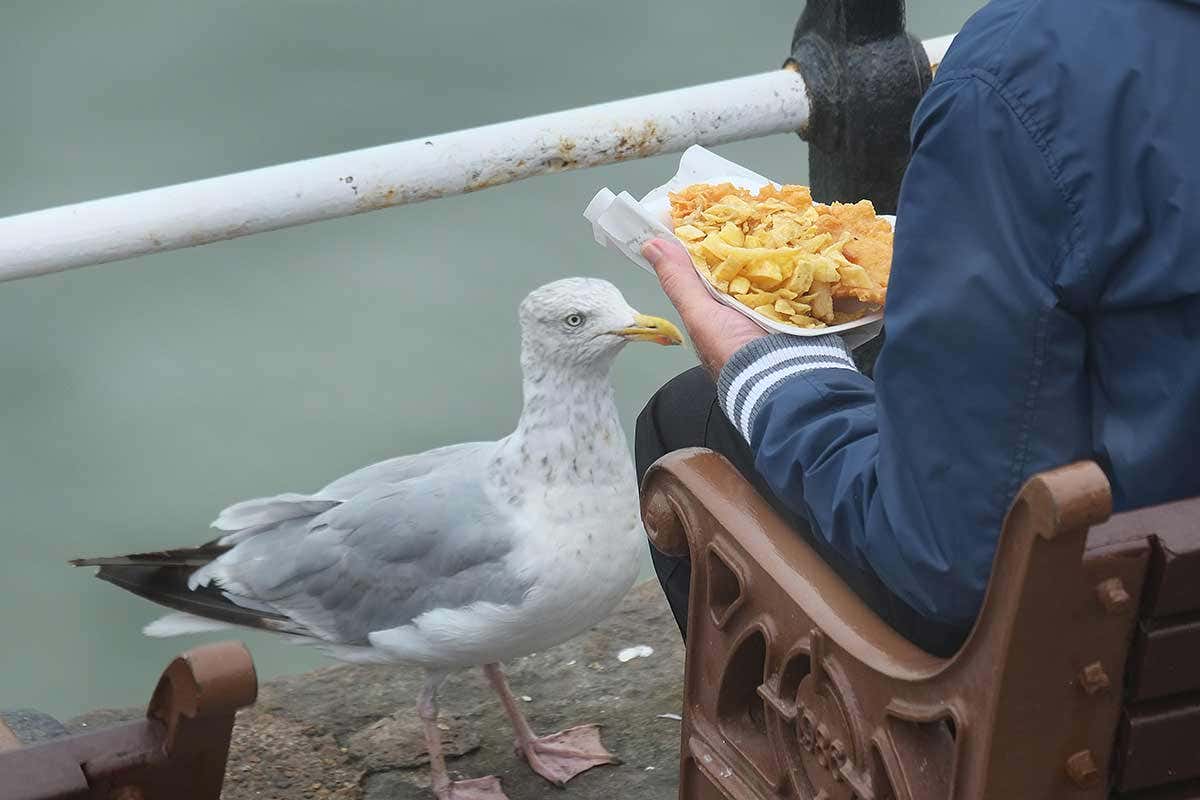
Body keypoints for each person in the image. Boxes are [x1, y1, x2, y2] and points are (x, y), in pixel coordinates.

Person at [635, 0, 1200, 657]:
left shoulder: (1027, 72)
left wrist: (765, 371)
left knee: (687, 420)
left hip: (1109, 649)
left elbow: (944, 552)